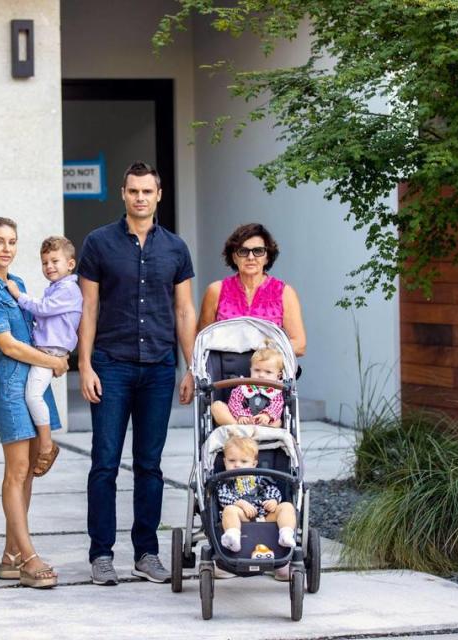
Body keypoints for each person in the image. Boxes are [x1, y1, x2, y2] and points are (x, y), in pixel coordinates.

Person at [78, 161, 197, 586]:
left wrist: (191, 367)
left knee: (150, 464)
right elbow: (87, 307)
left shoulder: (176, 248)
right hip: (111, 364)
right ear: (124, 194)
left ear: (159, 194)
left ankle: (146, 552)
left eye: (147, 191)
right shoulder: (98, 243)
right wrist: (85, 363)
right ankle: (102, 554)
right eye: (133, 191)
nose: (140, 198)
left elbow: (184, 310)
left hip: (161, 368)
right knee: (105, 463)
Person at [0, 217, 69, 589]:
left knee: (29, 472)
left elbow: (39, 326)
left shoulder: (19, 284)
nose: (7, 248)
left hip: (32, 384)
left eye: (12, 241)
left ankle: (11, 556)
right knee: (16, 471)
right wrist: (54, 362)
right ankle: (28, 558)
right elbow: (9, 345)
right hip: (10, 386)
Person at [5, 236, 82, 477]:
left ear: (70, 264)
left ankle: (47, 445)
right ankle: (44, 441)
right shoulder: (56, 288)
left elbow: (43, 309)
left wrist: (18, 295)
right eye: (44, 262)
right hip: (44, 351)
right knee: (32, 396)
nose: (49, 266)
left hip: (51, 353)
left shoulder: (69, 289)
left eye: (54, 261)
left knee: (33, 395)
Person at [197, 223, 307, 356]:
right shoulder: (216, 291)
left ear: (267, 257)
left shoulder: (284, 292)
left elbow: (299, 345)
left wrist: (262, 351)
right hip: (225, 375)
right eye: (243, 251)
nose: (251, 257)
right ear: (234, 257)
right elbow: (201, 341)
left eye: (258, 251)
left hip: (268, 375)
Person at [216, 435, 297, 579]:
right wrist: (239, 502)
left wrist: (273, 500)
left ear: (254, 464)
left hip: (265, 516)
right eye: (232, 461)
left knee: (287, 507)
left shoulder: (261, 478)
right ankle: (233, 537)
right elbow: (222, 496)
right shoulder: (225, 481)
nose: (237, 465)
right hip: (242, 518)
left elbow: (272, 490)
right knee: (229, 510)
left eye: (243, 461)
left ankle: (285, 534)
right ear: (224, 461)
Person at [211, 343, 284, 427]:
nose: (261, 375)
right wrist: (240, 415)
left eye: (268, 372)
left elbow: (277, 405)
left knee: (278, 421)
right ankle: (238, 428)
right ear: (251, 370)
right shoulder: (244, 387)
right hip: (241, 422)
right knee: (217, 406)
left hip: (263, 423)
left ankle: (262, 431)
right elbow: (235, 402)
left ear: (278, 376)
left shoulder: (276, 390)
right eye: (257, 370)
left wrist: (267, 415)